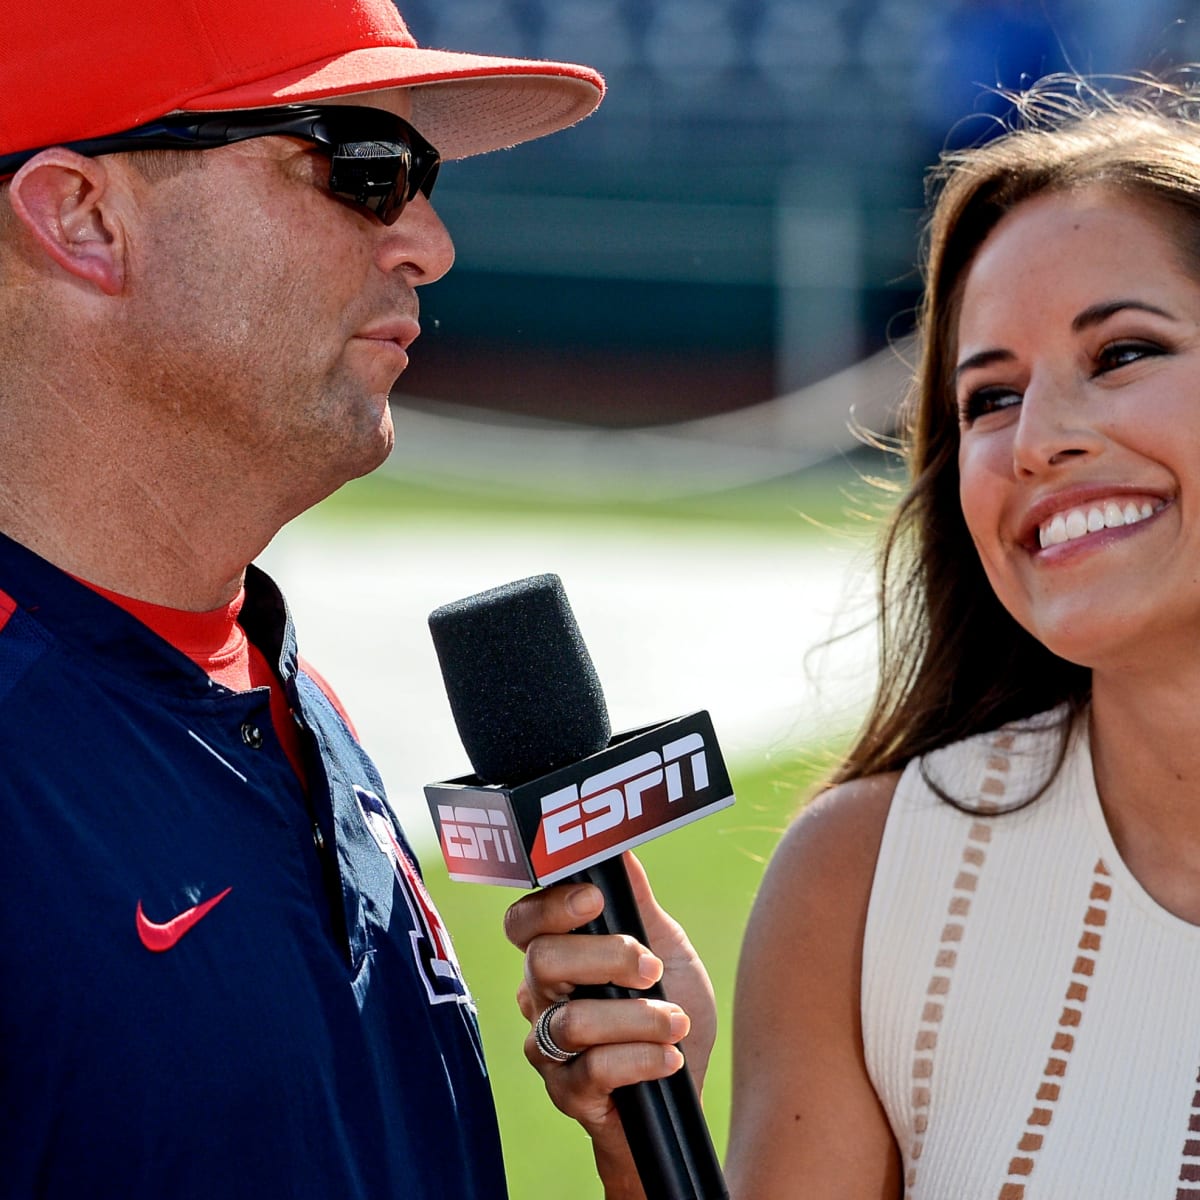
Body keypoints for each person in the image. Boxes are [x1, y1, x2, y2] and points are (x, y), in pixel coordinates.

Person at [506, 69, 1200, 1198]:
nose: (1037, 441)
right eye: (988, 398)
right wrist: (647, 1142)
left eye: (1121, 353)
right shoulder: (863, 882)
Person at [0, 2, 604, 1196]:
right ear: (84, 218)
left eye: (420, 177)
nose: (429, 243)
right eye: (363, 170)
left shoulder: (290, 696)